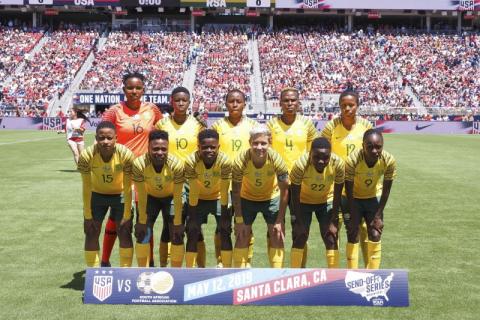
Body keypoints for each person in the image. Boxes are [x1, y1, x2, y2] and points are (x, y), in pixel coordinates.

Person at [100, 72, 163, 268]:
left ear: (144, 90)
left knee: (145, 219)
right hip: (121, 173)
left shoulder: (152, 109)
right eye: (130, 87)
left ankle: (149, 263)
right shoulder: (114, 112)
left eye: (138, 88)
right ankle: (104, 262)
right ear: (123, 89)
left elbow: (160, 134)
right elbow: (102, 137)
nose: (134, 91)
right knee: (117, 218)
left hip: (145, 173)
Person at [320, 89, 373, 268]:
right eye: (343, 105)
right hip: (336, 188)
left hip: (359, 189)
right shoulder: (331, 127)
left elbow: (373, 153)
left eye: (351, 105)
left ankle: (367, 272)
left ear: (357, 106)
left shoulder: (366, 126)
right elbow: (322, 154)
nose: (347, 109)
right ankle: (334, 274)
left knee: (363, 230)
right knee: (333, 229)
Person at [156, 86, 206, 267]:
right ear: (172, 101)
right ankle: (164, 267)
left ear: (189, 102)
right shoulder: (162, 125)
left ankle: (197, 269)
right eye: (177, 100)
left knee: (195, 227)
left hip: (192, 182)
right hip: (169, 181)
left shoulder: (198, 125)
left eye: (184, 100)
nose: (181, 103)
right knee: (169, 226)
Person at [267, 87, 317, 267]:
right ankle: (276, 273)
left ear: (298, 103)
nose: (289, 104)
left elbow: (314, 154)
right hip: (275, 185)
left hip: (299, 185)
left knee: (300, 229)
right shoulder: (271, 125)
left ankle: (299, 271)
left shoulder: (307, 124)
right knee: (275, 228)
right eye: (286, 101)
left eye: (293, 100)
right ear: (279, 103)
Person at [77, 121, 135, 267]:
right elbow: (86, 186)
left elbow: (128, 187)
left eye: (109, 138)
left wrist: (127, 215)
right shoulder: (86, 155)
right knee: (91, 231)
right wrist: (87, 216)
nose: (105, 141)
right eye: (101, 138)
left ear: (116, 138)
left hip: (120, 195)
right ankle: (95, 273)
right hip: (97, 195)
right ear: (96, 138)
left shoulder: (126, 155)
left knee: (124, 231)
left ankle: (125, 273)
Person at [232, 125, 289, 268]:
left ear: (270, 143)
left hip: (271, 198)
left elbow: (285, 191)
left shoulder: (277, 160)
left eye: (263, 143)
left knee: (277, 234)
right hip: (246, 198)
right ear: (249, 142)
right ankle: (240, 275)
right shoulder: (240, 161)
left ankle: (276, 275)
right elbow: (236, 191)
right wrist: (238, 220)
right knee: (241, 234)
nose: (259, 147)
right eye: (255, 143)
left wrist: (280, 220)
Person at [211, 89, 257, 267]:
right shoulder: (217, 127)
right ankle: (222, 262)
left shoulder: (253, 127)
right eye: (231, 101)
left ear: (245, 104)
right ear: (226, 103)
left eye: (239, 101)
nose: (235, 104)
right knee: (222, 225)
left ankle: (246, 261)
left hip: (245, 185)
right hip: (222, 184)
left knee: (246, 225)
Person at [344, 129, 396, 269]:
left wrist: (378, 214)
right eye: (370, 147)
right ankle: (352, 273)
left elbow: (386, 189)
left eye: (378, 147)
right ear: (363, 146)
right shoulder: (352, 160)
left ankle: (373, 273)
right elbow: (347, 187)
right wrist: (352, 210)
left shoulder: (388, 161)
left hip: (372, 198)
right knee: (353, 232)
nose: (374, 151)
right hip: (352, 198)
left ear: (383, 146)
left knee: (375, 232)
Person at [132, 130, 184, 267]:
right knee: (143, 232)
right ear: (148, 147)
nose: (160, 152)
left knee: (176, 234)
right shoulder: (139, 164)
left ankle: (176, 273)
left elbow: (178, 196)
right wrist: (142, 220)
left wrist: (178, 222)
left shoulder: (177, 165)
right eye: (155, 149)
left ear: (168, 149)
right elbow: (141, 194)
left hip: (171, 197)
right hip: (150, 197)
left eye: (163, 149)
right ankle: (142, 271)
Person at [289, 137, 344, 268]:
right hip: (303, 202)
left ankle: (333, 276)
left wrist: (334, 220)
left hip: (326, 201)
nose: (321, 161)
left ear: (330, 155)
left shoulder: (338, 164)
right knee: (300, 236)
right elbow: (294, 194)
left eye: (325, 157)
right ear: (310, 154)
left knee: (331, 237)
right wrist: (298, 220)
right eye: (316, 156)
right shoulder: (300, 164)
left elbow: (338, 193)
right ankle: (294, 274)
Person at [184, 129, 231, 268]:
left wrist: (225, 214)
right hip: (198, 198)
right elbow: (192, 189)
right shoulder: (191, 161)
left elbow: (224, 188)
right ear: (198, 147)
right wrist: (192, 215)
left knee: (225, 231)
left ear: (219, 147)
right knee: (192, 231)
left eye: (213, 147)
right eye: (205, 147)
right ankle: (191, 269)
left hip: (218, 197)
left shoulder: (225, 161)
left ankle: (226, 266)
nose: (209, 150)